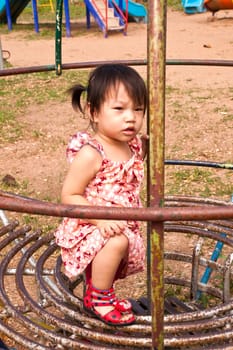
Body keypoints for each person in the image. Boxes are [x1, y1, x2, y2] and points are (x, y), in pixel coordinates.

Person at [55, 63, 148, 326]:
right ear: (93, 112)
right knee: (117, 242)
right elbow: (70, 195)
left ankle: (104, 293)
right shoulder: (92, 153)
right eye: (119, 109)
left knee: (120, 242)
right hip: (89, 224)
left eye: (138, 109)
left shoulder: (130, 144)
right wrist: (101, 220)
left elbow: (130, 171)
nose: (130, 117)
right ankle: (97, 298)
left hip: (116, 222)